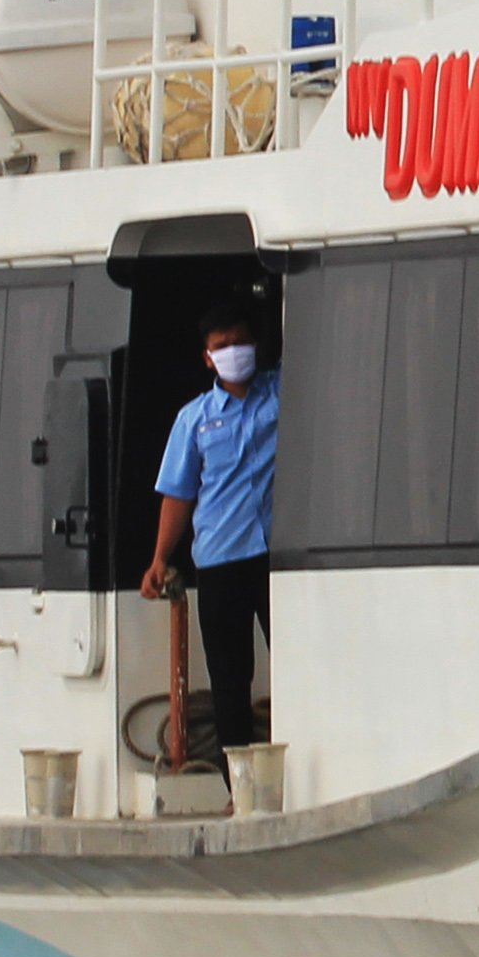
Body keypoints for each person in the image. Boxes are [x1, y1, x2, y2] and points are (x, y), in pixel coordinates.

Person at [143, 306, 280, 758]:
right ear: (207, 358)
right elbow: (178, 495)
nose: (232, 353)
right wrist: (161, 559)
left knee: (296, 665)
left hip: (279, 560)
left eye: (238, 343)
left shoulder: (284, 394)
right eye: (221, 347)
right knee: (230, 679)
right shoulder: (193, 420)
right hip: (221, 562)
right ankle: (238, 789)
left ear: (255, 344)